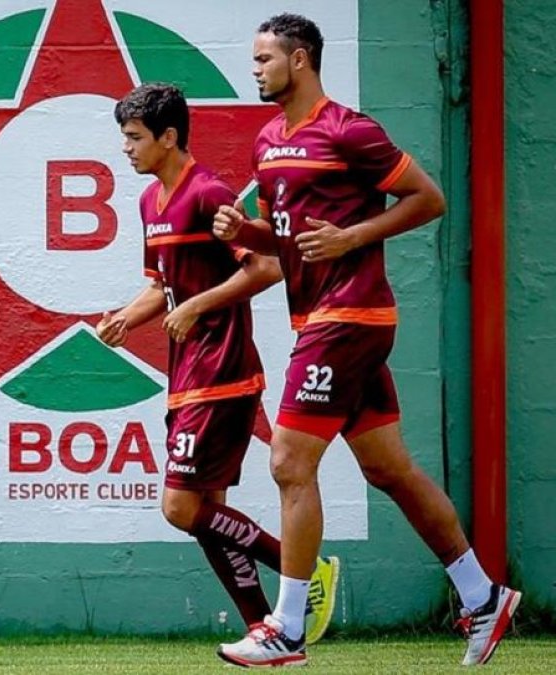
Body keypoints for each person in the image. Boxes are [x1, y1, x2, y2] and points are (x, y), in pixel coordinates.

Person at [213, 14, 521, 668]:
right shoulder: (266, 141)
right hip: (320, 319)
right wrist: (246, 230)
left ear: (300, 60)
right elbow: (290, 238)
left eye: (265, 58)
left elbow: (428, 198)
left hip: (348, 317)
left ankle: (288, 628)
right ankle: (482, 593)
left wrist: (353, 237)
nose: (256, 69)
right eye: (254, 59)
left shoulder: (348, 129)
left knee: (289, 461)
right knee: (388, 468)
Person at [98, 82, 340, 647]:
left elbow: (265, 269)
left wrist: (200, 306)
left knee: (181, 508)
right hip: (186, 375)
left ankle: (302, 572)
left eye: (134, 138)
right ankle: (270, 634)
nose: (126, 149)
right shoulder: (147, 202)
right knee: (210, 517)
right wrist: (124, 320)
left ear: (169, 137)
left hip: (222, 370)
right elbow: (162, 287)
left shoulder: (207, 192)